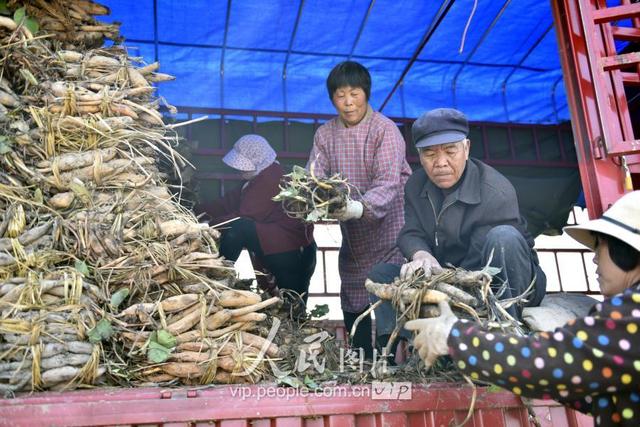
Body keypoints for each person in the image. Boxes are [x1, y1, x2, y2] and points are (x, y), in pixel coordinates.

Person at [405, 190, 640, 426]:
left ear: (626, 251)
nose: (595, 259)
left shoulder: (633, 318)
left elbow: (551, 362)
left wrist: (458, 339)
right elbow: (578, 381)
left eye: (600, 247)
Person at [369, 108, 546, 336]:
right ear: (419, 156)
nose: (440, 162)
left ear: (466, 148)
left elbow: (485, 258)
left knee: (504, 237)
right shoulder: (415, 185)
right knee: (381, 275)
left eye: (450, 151)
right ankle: (408, 350)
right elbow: (410, 232)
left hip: (503, 279)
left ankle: (508, 329)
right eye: (430, 154)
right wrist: (421, 254)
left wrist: (445, 283)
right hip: (447, 279)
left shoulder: (496, 189)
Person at [306, 61, 411, 357]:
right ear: (332, 98)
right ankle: (362, 359)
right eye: (340, 95)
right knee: (352, 288)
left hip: (391, 226)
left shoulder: (385, 130)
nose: (348, 102)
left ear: (366, 93)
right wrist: (313, 195)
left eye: (355, 93)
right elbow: (315, 174)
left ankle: (392, 361)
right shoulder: (325, 135)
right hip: (354, 234)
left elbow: (389, 183)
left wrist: (359, 207)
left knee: (392, 288)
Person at [196, 134, 316, 311]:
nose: (239, 170)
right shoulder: (253, 181)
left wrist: (207, 225)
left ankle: (217, 273)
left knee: (292, 303)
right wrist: (195, 211)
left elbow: (244, 215)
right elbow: (227, 203)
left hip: (291, 253)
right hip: (280, 248)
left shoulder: (272, 178)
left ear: (258, 160)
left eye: (243, 164)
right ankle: (217, 273)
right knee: (287, 303)